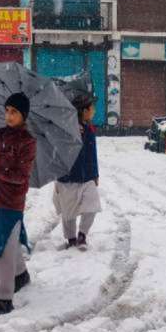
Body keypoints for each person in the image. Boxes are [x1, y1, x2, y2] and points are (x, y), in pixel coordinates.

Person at [0, 92, 36, 316]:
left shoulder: (27, 142)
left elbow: (21, 176)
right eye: (7, 111)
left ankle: (4, 299)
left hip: (12, 202)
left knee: (3, 248)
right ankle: (21, 274)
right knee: (8, 243)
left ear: (24, 115)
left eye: (14, 112)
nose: (9, 116)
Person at [53, 90, 102, 251]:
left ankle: (82, 235)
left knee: (92, 205)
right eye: (92, 108)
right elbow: (57, 152)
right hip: (67, 177)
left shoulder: (90, 129)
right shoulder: (66, 129)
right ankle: (71, 239)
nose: (94, 111)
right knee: (68, 213)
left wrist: (95, 174)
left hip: (86, 176)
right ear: (84, 111)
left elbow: (92, 154)